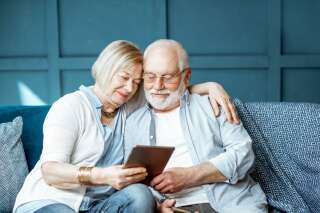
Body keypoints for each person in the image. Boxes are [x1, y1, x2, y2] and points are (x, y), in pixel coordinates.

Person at [13, 40, 238, 213]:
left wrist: (210, 86)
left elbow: (166, 91)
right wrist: (102, 176)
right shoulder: (70, 106)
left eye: (137, 82)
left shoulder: (128, 105)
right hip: (53, 201)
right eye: (124, 77)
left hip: (99, 206)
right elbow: (50, 171)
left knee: (140, 195)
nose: (130, 87)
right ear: (105, 69)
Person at [124, 39, 268, 213]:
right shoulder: (133, 123)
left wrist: (189, 176)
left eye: (167, 77)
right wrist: (157, 207)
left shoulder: (213, 104)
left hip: (231, 203)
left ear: (186, 76)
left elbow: (244, 155)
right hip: (173, 208)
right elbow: (134, 180)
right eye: (150, 76)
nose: (157, 86)